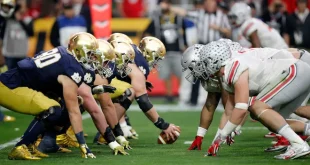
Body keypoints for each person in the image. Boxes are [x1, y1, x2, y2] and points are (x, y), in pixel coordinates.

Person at [0, 32, 126, 160]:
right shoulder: (73, 68)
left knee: (69, 101)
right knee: (53, 109)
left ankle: (39, 142)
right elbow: (74, 111)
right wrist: (83, 144)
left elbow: (64, 85)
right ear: (79, 51)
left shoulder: (64, 53)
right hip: (10, 86)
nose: (92, 59)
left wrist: (95, 89)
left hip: (19, 83)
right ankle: (21, 146)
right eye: (89, 54)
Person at [201, 41, 310, 160]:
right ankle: (301, 139)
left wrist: (222, 136)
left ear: (215, 59)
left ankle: (299, 145)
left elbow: (241, 108)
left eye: (205, 62)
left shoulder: (232, 66)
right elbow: (230, 111)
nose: (204, 67)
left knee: (257, 107)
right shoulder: (230, 68)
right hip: (297, 71)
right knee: (272, 121)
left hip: (294, 71)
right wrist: (216, 140)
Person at [107, 33, 181, 141]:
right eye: (156, 58)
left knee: (123, 91)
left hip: (97, 78)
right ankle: (106, 132)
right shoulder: (141, 64)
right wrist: (163, 125)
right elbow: (143, 101)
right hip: (97, 81)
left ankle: (116, 128)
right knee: (129, 92)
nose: (156, 63)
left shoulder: (133, 52)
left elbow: (121, 73)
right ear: (149, 54)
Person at [144, 0, 187, 103]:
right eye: (163, 3)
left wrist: (186, 44)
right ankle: (169, 95)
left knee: (180, 74)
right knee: (166, 74)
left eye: (166, 3)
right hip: (163, 52)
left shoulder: (178, 18)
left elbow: (187, 28)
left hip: (177, 50)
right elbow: (146, 33)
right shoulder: (156, 19)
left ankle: (183, 95)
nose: (164, 6)